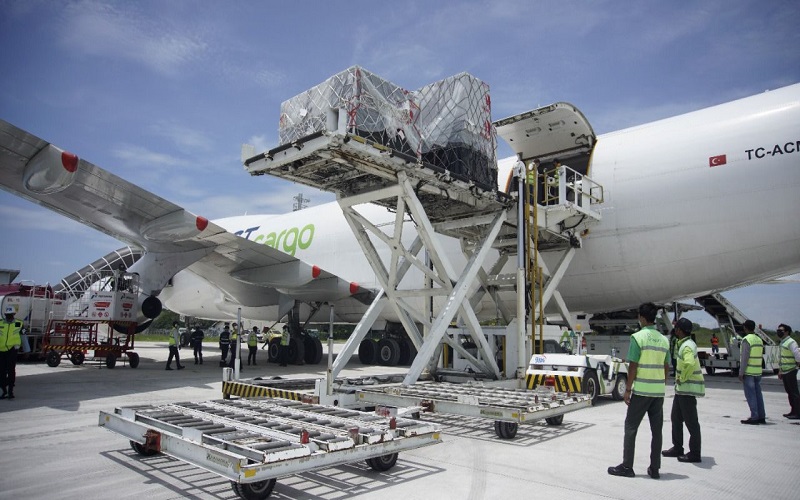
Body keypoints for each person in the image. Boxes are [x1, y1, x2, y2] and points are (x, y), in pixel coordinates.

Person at [608, 302, 670, 479]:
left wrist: (627, 389)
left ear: (642, 318)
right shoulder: (664, 340)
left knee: (631, 428)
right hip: (658, 393)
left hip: (642, 391)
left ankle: (627, 466)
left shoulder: (638, 337)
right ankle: (655, 468)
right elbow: (667, 366)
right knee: (657, 431)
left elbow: (633, 365)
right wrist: (661, 383)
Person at [662, 318, 705, 463]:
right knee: (676, 418)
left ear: (679, 330)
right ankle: (677, 447)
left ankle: (695, 453)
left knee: (691, 422)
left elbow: (689, 363)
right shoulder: (685, 344)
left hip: (686, 390)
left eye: (676, 328)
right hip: (681, 391)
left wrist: (682, 377)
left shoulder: (687, 346)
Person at [739, 319, 765, 424]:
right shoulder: (759, 339)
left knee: (751, 395)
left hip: (749, 371)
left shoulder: (746, 340)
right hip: (758, 371)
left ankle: (754, 417)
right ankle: (761, 416)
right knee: (758, 395)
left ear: (745, 328)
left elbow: (745, 358)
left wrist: (741, 372)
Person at [776, 324, 800, 419]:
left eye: (781, 330)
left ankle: (798, 412)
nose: (778, 332)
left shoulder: (791, 342)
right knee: (789, 392)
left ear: (787, 332)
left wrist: (797, 365)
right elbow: (782, 358)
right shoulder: (783, 342)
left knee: (794, 392)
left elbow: (797, 355)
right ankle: (793, 411)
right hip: (785, 370)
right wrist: (780, 370)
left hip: (791, 370)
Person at [0, 306, 23, 399]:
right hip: (1, 351)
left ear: (14, 314)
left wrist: (27, 350)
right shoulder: (0, 323)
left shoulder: (18, 323)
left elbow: (23, 336)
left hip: (12, 350)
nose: (9, 316)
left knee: (11, 370)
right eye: (7, 315)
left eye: (11, 315)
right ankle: (4, 390)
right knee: (1, 372)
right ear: (5, 315)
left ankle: (10, 391)